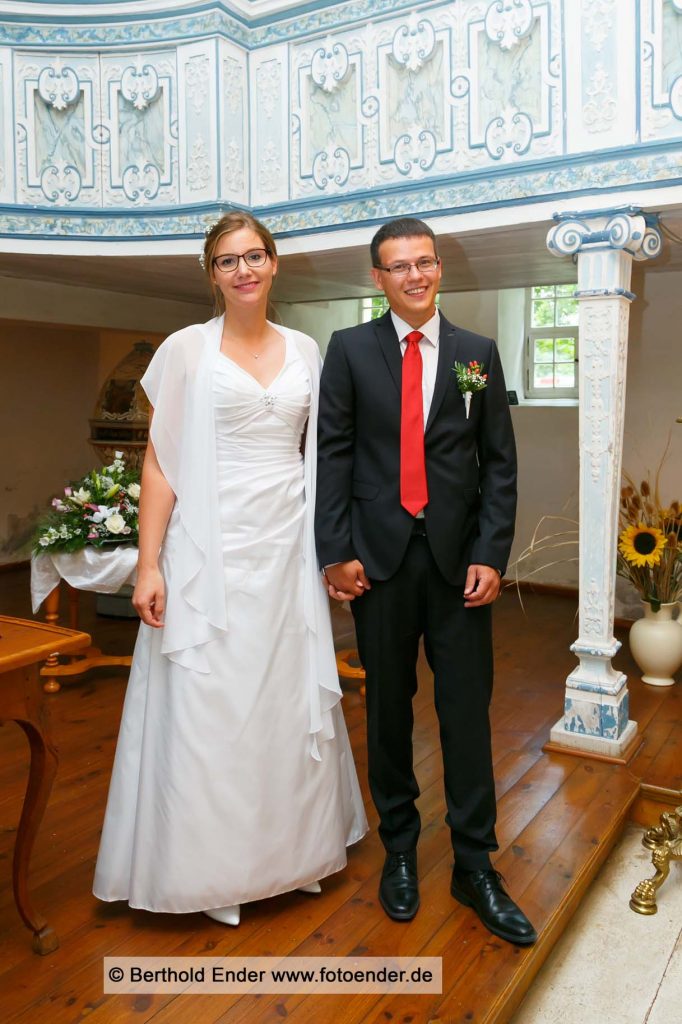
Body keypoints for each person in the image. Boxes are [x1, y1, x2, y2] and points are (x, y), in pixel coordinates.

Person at [94, 212, 367, 925]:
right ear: (210, 274)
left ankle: (293, 857)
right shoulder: (187, 350)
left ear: (275, 264)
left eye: (254, 257)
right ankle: (213, 871)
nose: (243, 270)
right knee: (210, 703)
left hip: (286, 547)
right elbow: (161, 459)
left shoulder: (308, 350)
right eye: (226, 261)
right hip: (206, 550)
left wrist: (334, 548)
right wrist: (149, 563)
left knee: (281, 700)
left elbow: (329, 456)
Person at [315, 217, 536, 945]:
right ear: (377, 279)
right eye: (398, 266)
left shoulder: (476, 355)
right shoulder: (349, 351)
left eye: (425, 262)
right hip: (378, 563)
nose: (415, 275)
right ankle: (401, 851)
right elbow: (335, 456)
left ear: (439, 268)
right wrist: (333, 550)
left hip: (459, 563)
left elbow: (496, 462)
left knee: (467, 712)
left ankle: (475, 864)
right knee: (388, 714)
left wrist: (491, 553)